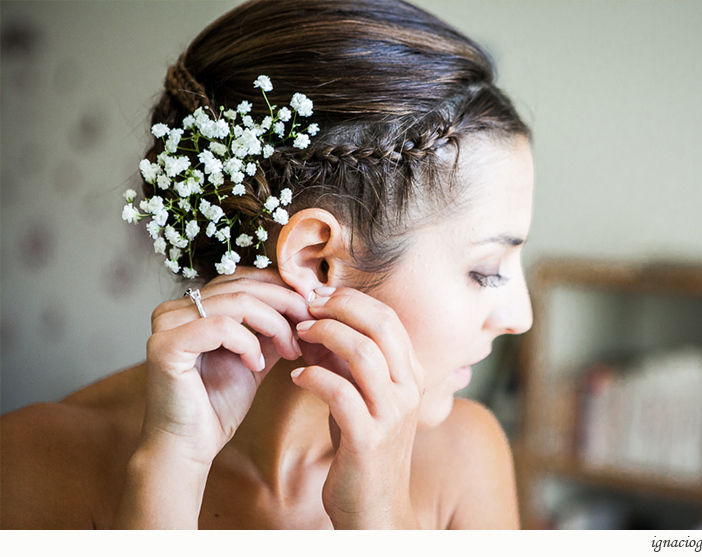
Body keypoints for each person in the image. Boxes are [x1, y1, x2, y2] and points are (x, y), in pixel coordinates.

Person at [0, 0, 534, 529]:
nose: (520, 316)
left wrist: (380, 519)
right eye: (486, 270)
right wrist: (167, 475)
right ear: (317, 261)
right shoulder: (35, 460)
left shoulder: (468, 457)